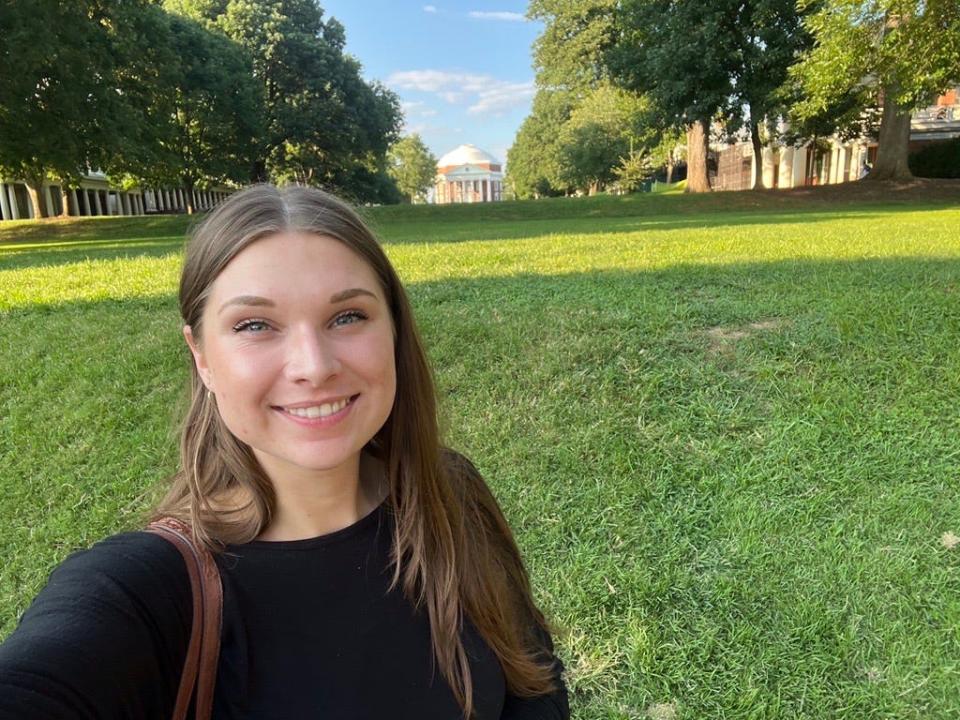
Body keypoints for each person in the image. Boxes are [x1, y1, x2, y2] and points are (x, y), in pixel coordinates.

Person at [0, 184, 568, 719]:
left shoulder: (450, 490)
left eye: (348, 316)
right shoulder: (145, 590)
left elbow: (534, 686)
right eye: (254, 325)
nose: (314, 366)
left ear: (393, 328)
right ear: (201, 355)